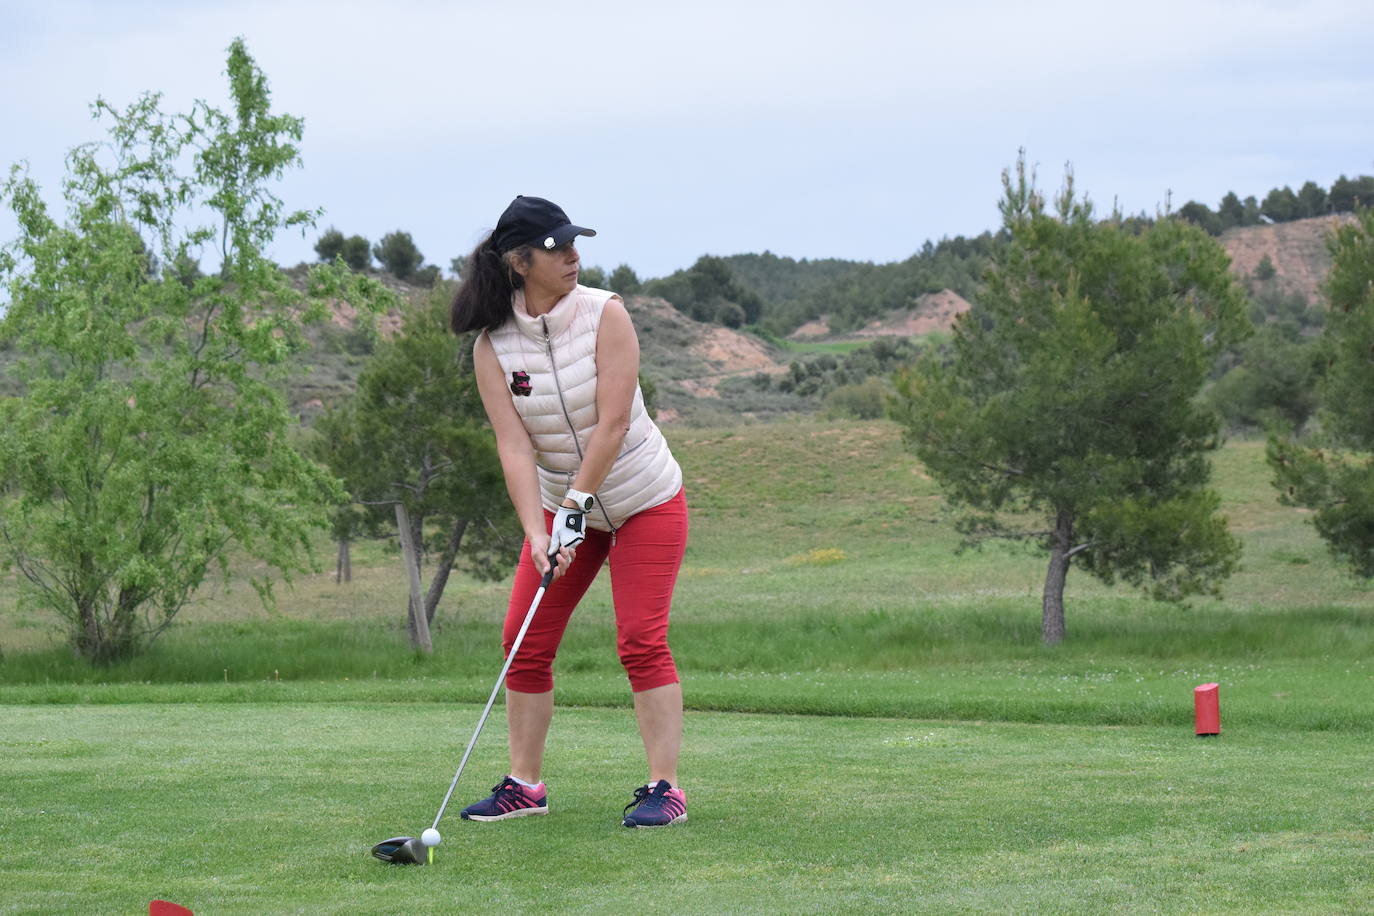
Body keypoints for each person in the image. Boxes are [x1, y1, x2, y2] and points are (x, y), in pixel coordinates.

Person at [448, 195, 689, 828]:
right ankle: (524, 786)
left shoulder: (606, 313)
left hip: (644, 499)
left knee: (640, 640)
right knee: (522, 641)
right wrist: (536, 531)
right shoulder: (492, 347)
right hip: (562, 510)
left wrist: (575, 507)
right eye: (556, 247)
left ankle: (665, 789)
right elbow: (513, 446)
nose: (572, 255)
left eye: (573, 242)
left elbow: (612, 425)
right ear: (519, 262)